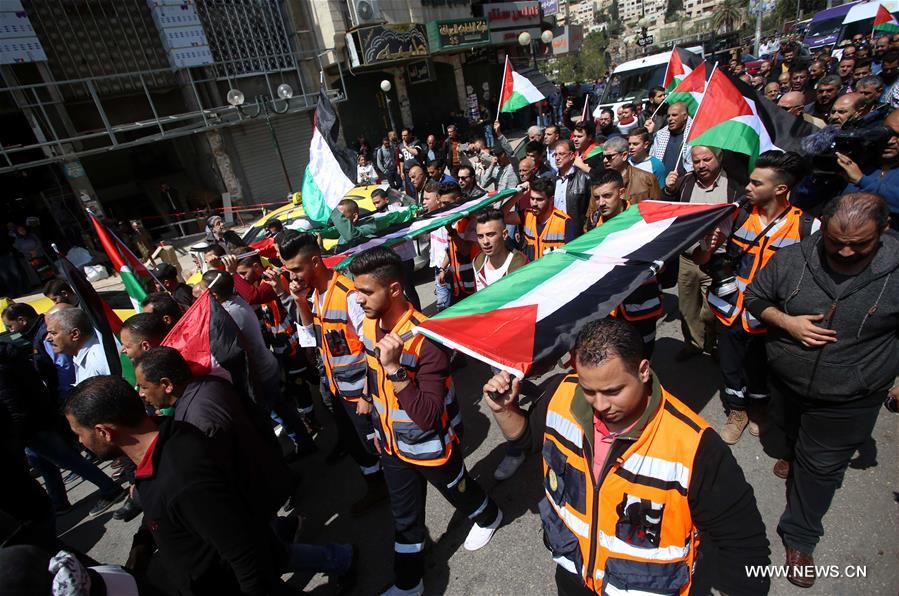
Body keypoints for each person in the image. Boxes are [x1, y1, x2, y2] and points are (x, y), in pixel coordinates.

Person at [481, 318, 770, 596]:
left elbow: (744, 545)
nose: (601, 405)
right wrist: (505, 410)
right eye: (589, 390)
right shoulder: (561, 394)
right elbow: (528, 439)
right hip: (573, 576)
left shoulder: (695, 446)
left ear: (643, 370)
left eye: (613, 390)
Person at [744, 193, 898, 588]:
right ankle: (796, 455)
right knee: (793, 437)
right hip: (786, 382)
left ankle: (800, 535)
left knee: (823, 468)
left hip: (851, 395)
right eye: (835, 242)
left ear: (884, 230)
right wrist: (787, 322)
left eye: (859, 245)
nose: (845, 252)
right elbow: (756, 297)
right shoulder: (793, 259)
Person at [65, 376, 312, 596]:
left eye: (79, 433)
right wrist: (144, 542)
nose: (79, 441)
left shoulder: (182, 479)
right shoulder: (166, 438)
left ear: (103, 431)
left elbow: (245, 556)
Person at [348, 247, 502, 596]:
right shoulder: (371, 325)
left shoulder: (427, 339)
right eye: (357, 290)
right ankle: (408, 583)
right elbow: (373, 378)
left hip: (430, 446)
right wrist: (375, 421)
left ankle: (489, 515)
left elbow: (429, 416)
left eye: (367, 291)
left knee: (459, 490)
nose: (357, 300)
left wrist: (394, 369)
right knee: (405, 518)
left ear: (395, 290)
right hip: (391, 445)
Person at [133, 347, 347, 582]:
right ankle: (313, 542)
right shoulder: (203, 387)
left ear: (166, 384)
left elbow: (218, 473)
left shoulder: (197, 418)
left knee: (273, 557)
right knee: (275, 553)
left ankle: (341, 559)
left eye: (143, 386)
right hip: (258, 484)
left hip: (250, 495)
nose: (140, 393)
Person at [693, 151, 819, 445]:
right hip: (730, 308)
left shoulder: (808, 227)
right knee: (730, 364)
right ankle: (737, 411)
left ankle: (760, 408)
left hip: (769, 314)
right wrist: (708, 247)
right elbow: (701, 259)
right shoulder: (735, 216)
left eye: (755, 183)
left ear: (780, 189)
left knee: (760, 366)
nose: (747, 188)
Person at [276, 230, 388, 515]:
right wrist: (300, 301)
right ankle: (376, 485)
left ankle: (394, 487)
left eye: (296, 269)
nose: (293, 277)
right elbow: (309, 341)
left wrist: (366, 394)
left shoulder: (349, 296)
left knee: (377, 443)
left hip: (363, 393)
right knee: (356, 444)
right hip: (339, 391)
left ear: (315, 262)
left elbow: (375, 348)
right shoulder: (313, 294)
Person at [0, 340, 126, 518]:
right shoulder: (9, 355)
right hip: (35, 418)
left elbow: (10, 403)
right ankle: (59, 502)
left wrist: (15, 434)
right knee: (45, 463)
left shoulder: (2, 365)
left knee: (67, 459)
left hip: (29, 425)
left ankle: (110, 488)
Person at [201, 269, 316, 458]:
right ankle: (303, 442)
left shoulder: (229, 314)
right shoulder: (236, 302)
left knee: (266, 420)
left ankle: (288, 455)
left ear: (214, 294)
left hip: (259, 374)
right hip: (267, 367)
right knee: (283, 411)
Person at [665, 146, 744, 361]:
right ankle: (694, 344)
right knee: (687, 307)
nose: (701, 165)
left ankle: (714, 343)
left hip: (717, 260)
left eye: (706, 159)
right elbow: (670, 210)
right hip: (688, 259)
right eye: (696, 161)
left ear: (719, 158)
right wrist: (669, 189)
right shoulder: (685, 182)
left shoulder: (734, 187)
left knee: (711, 311)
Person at [471, 209, 529, 480]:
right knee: (509, 392)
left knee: (503, 396)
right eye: (481, 235)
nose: (485, 240)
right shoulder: (478, 261)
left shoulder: (519, 263)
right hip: (491, 346)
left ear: (504, 234)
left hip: (516, 345)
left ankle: (517, 449)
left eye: (491, 234)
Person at [588, 170, 663, 355]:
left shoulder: (642, 221)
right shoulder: (594, 221)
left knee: (641, 361)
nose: (601, 203)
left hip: (640, 305)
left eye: (607, 196)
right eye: (597, 197)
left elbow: (662, 261)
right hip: (607, 308)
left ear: (621, 193)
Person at [329, 199, 422, 311]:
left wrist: (332, 208)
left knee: (401, 305)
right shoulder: (342, 236)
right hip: (355, 287)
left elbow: (353, 237)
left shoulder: (369, 227)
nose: (339, 221)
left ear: (354, 217)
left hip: (375, 284)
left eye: (342, 217)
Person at [2, 302, 75, 403]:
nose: (11, 331)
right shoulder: (39, 333)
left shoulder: (45, 336)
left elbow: (64, 366)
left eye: (10, 326)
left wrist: (66, 396)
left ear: (22, 320)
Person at [839, 107, 899, 227]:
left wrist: (862, 180)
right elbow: (802, 200)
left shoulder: (858, 173)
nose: (890, 141)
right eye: (887, 133)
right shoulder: (858, 162)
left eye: (898, 136)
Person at [504, 176, 578, 260]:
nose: (534, 203)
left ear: (551, 200)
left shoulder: (565, 222)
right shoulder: (527, 215)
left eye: (539, 200)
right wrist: (518, 195)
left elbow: (571, 257)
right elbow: (502, 217)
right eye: (532, 198)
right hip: (530, 270)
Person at [44, 307, 111, 383]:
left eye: (53, 333)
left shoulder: (98, 359)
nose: (47, 338)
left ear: (75, 334)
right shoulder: (80, 356)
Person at [552, 139, 592, 234]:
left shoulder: (585, 179)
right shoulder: (551, 180)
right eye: (555, 155)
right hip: (555, 231)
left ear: (571, 156)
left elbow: (591, 208)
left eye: (561, 154)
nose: (557, 158)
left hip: (577, 232)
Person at [649, 101, 693, 174]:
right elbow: (652, 158)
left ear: (685, 116)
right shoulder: (660, 135)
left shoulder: (693, 133)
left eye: (674, 115)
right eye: (668, 116)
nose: (670, 118)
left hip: (685, 180)